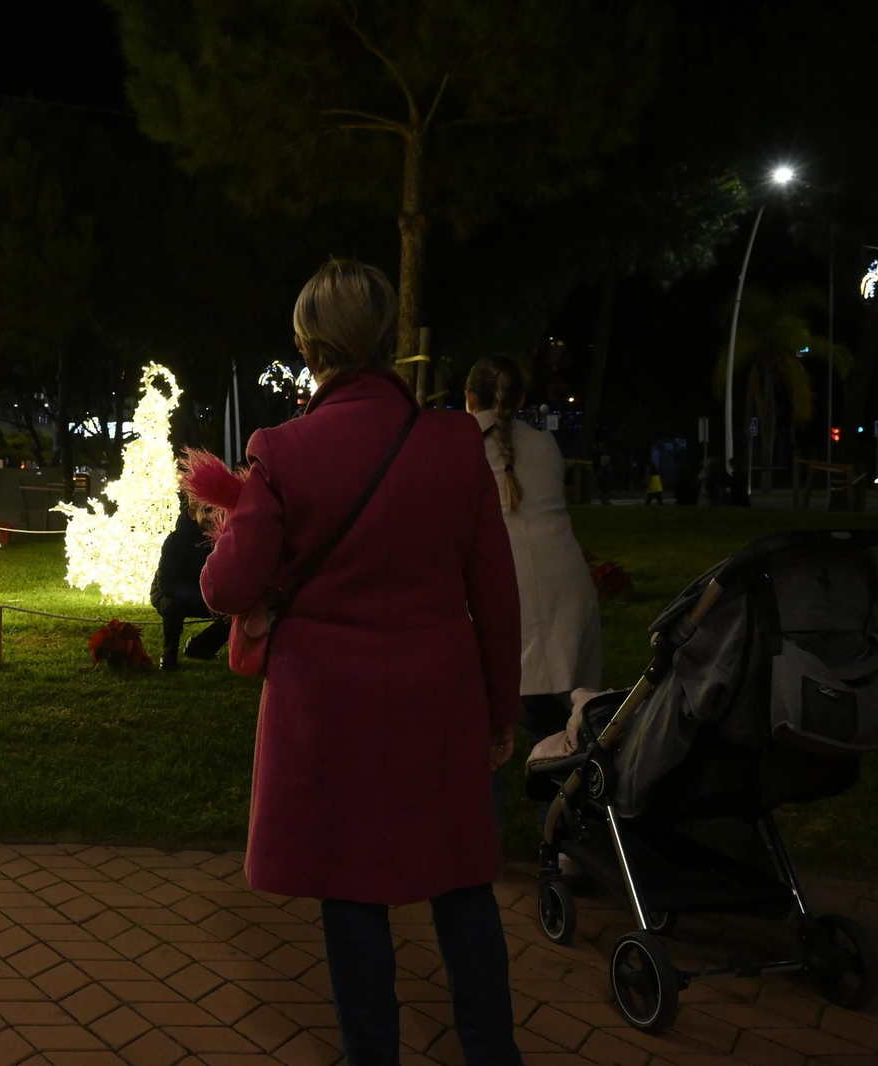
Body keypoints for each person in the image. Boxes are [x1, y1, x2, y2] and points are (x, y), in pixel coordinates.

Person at [200, 259, 524, 1066]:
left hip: (328, 708)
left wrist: (238, 514)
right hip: (442, 699)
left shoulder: (284, 449)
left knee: (350, 889)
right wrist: (502, 710)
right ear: (384, 341)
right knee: (462, 884)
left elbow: (225, 586)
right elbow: (497, 593)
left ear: (310, 348)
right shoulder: (455, 442)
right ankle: (493, 1053)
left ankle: (370, 1055)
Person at [465, 356, 602, 833]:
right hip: (565, 589)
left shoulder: (461, 447)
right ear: (521, 400)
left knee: (479, 723)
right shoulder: (545, 443)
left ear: (469, 398)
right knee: (558, 723)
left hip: (506, 592)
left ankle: (488, 835)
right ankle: (564, 838)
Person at [150, 500, 230, 670]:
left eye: (218, 509)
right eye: (208, 510)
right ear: (193, 513)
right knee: (173, 606)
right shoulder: (175, 540)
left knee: (238, 610)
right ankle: (169, 654)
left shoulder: (228, 539)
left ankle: (201, 647)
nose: (214, 515)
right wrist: (205, 599)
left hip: (209, 596)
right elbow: (167, 583)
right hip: (170, 594)